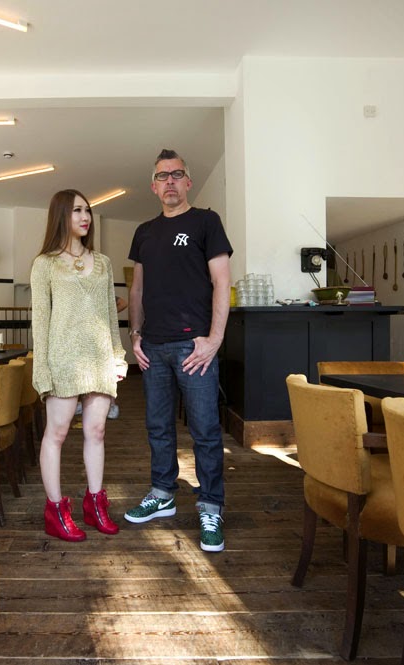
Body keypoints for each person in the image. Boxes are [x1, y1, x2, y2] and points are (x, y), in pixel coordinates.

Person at [124, 148, 233, 552]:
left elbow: (222, 282)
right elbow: (137, 289)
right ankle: (163, 493)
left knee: (205, 431)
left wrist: (215, 339)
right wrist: (135, 335)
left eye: (176, 174)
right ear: (153, 186)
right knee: (158, 427)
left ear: (188, 181)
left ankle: (211, 505)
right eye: (162, 176)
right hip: (152, 347)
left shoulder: (206, 221)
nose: (169, 181)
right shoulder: (144, 232)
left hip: (194, 347)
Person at [31, 189, 128, 542]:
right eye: (76, 211)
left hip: (99, 359)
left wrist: (118, 357)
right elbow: (40, 322)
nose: (85, 217)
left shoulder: (103, 262)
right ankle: (55, 511)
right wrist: (41, 371)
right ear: (61, 215)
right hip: (62, 361)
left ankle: (95, 505)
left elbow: (110, 315)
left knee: (96, 432)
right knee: (56, 434)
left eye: (87, 210)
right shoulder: (45, 264)